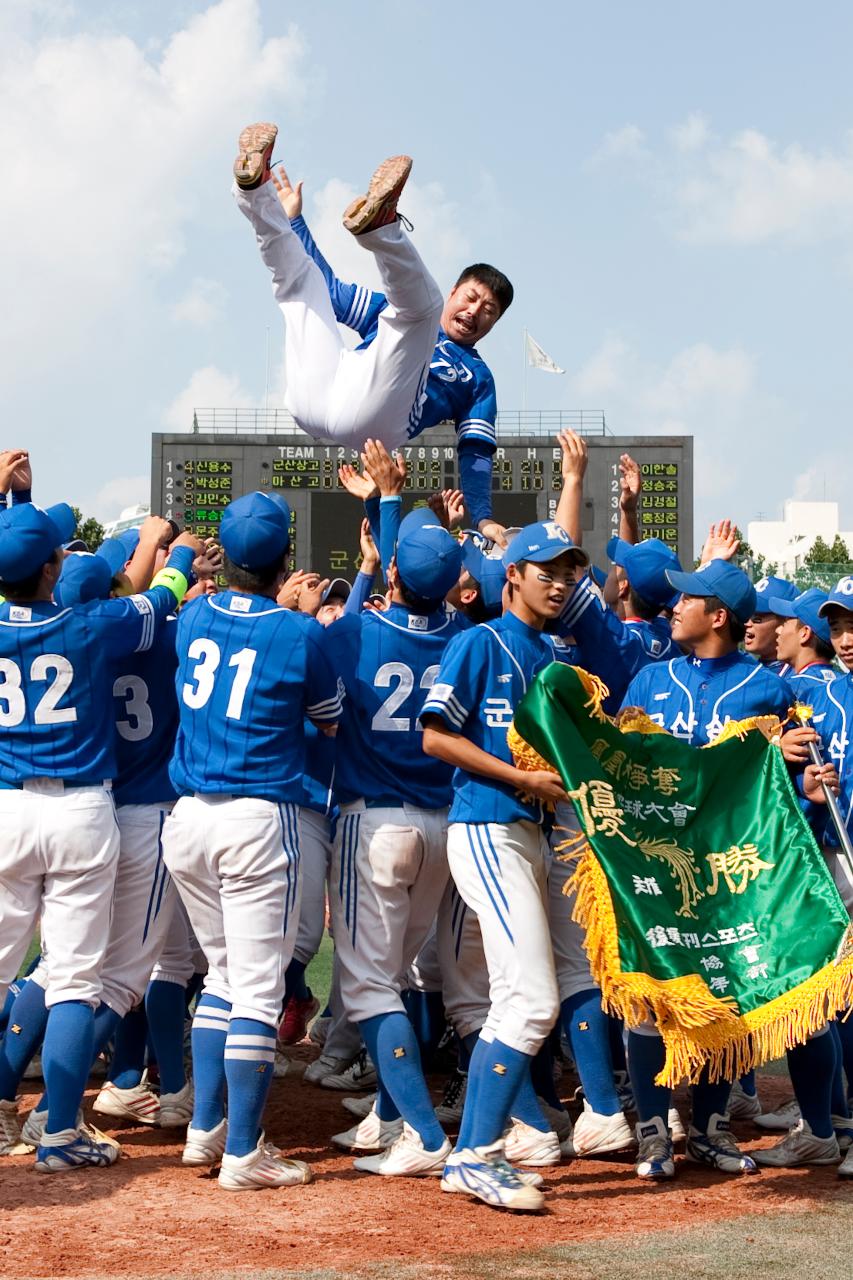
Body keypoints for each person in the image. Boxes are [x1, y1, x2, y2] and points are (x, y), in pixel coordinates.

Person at [0, 502, 198, 1172]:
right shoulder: (92, 625)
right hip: (83, 811)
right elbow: (166, 592)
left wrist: (131, 547)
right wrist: (169, 551)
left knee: (9, 974)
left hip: (6, 809)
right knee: (77, 981)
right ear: (51, 565)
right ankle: (57, 1132)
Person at [162, 492, 343, 1192]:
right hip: (256, 820)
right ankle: (243, 1152)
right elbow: (327, 720)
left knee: (224, 980)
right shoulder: (300, 636)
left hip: (190, 820)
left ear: (227, 558)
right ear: (283, 561)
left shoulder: (194, 614)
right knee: (258, 994)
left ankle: (205, 1132)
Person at [617, 559, 815, 1183]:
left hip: (725, 872)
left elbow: (783, 792)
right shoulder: (649, 680)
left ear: (719, 615)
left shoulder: (769, 691)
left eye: (688, 600)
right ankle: (653, 1126)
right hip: (651, 863)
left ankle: (708, 1126)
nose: (674, 607)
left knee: (722, 996)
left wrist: (796, 770)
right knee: (650, 995)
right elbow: (618, 761)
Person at [421, 521, 588, 1212]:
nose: (557, 581)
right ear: (511, 574)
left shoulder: (552, 653)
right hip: (487, 827)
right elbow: (434, 736)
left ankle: (480, 1149)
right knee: (528, 1001)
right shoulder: (478, 640)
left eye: (567, 571)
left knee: (526, 997)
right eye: (543, 568)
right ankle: (475, 1154)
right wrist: (519, 779)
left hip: (533, 833)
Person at [320, 513, 466, 1176]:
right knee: (400, 980)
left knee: (369, 989)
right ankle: (385, 1115)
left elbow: (322, 695)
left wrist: (366, 569)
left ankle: (423, 1133)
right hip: (440, 827)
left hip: (375, 823)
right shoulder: (466, 638)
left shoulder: (354, 629)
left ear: (397, 573)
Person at [270, 162, 512, 544]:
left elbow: (476, 453)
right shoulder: (397, 313)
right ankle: (255, 199)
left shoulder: (478, 379)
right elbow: (330, 293)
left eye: (489, 310)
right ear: (454, 293)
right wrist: (294, 221)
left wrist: (483, 520)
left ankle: (383, 227)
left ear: (495, 324)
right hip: (317, 401)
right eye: (471, 297)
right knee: (304, 296)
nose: (474, 311)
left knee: (420, 310)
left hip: (380, 421)